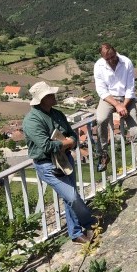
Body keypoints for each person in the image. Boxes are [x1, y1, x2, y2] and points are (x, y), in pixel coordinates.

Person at [23, 82, 95, 244]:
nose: (54, 96)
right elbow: (46, 146)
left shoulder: (57, 114)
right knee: (72, 197)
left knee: (70, 197)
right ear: (42, 99)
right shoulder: (31, 121)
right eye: (50, 95)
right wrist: (69, 143)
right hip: (47, 164)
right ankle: (89, 223)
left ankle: (75, 233)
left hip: (65, 159)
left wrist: (72, 141)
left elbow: (71, 134)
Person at [93, 43, 137, 179]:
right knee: (101, 119)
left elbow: (130, 88)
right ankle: (103, 154)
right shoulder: (98, 66)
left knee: (136, 131)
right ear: (102, 57)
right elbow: (102, 91)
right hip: (108, 98)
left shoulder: (126, 62)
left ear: (116, 52)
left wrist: (123, 105)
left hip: (127, 98)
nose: (111, 60)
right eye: (107, 59)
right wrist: (116, 105)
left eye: (112, 57)